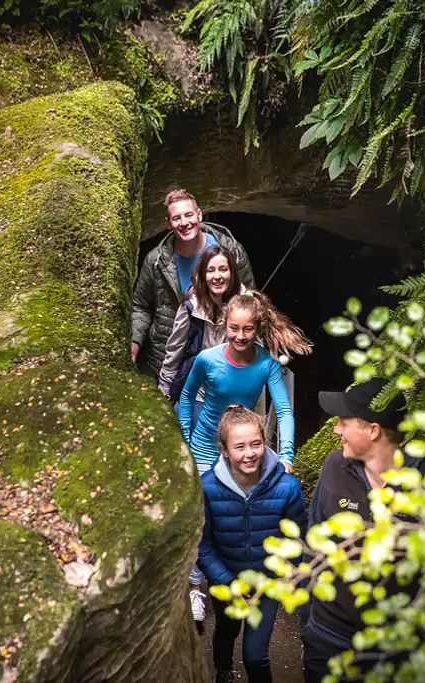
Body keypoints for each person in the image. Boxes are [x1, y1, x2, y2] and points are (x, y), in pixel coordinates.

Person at [180, 289, 310, 628]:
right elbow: (186, 398)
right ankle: (196, 587)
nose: (240, 336)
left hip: (243, 447)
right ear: (224, 325)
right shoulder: (207, 359)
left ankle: (239, 581)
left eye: (247, 329)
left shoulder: (266, 364)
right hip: (205, 448)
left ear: (257, 328)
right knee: (201, 517)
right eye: (234, 328)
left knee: (235, 515)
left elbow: (283, 409)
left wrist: (286, 454)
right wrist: (182, 440)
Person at [302, 378, 424, 683]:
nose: (335, 430)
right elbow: (312, 541)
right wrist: (310, 621)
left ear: (373, 430)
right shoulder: (333, 466)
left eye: (344, 422)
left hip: (395, 652)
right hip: (329, 640)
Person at [198, 405, 308, 683]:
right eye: (240, 446)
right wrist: (227, 581)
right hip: (226, 581)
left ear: (265, 443)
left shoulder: (287, 488)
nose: (249, 453)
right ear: (224, 450)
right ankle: (223, 669)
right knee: (226, 630)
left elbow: (297, 539)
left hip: (266, 584)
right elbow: (202, 543)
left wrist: (283, 576)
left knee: (255, 656)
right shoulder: (207, 488)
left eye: (256, 444)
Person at [131, 189, 254, 381]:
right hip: (168, 359)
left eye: (189, 215)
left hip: (221, 357)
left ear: (199, 215)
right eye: (176, 218)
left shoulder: (231, 252)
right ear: (168, 223)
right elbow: (141, 306)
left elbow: (250, 300)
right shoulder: (156, 261)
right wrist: (134, 342)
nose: (184, 223)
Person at [158, 243, 245, 407]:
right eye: (210, 270)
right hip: (196, 393)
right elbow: (174, 351)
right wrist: (164, 391)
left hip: (233, 395)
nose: (217, 276)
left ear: (232, 273)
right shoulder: (191, 307)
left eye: (223, 269)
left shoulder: (245, 306)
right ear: (203, 275)